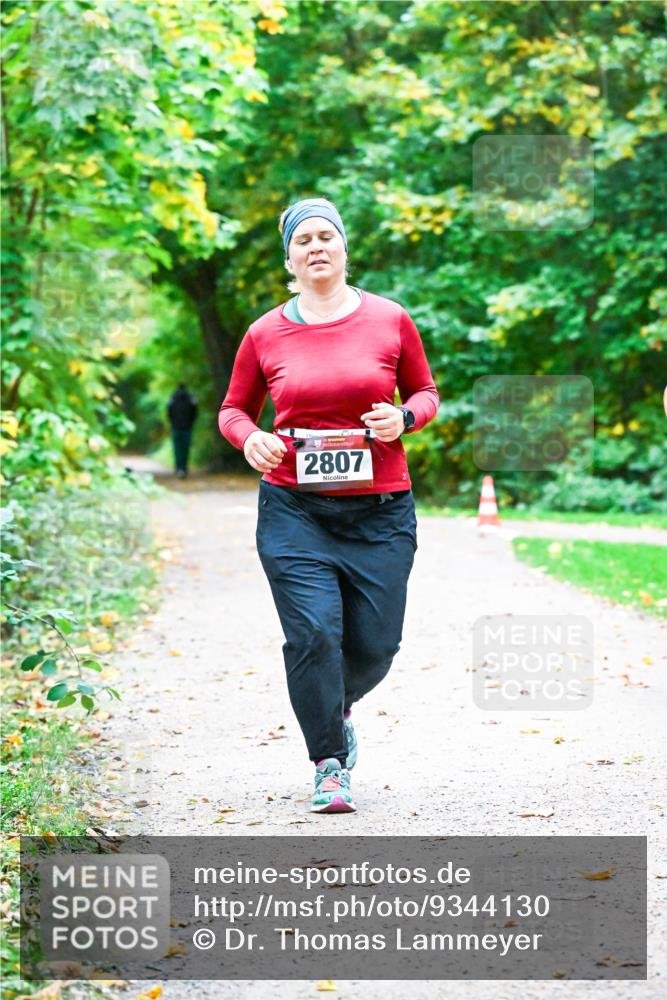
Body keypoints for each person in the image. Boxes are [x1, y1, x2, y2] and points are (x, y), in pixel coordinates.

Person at [218, 196, 439, 814]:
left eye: (326, 237)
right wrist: (250, 438)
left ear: (343, 247)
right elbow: (233, 410)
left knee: (377, 645)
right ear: (290, 258)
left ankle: (335, 704)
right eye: (303, 240)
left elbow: (425, 392)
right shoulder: (265, 332)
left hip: (381, 511)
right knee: (313, 635)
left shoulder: (390, 319)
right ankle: (329, 764)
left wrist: (403, 418)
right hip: (294, 511)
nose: (316, 247)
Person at [167, 383, 198, 478]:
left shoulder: (173, 398)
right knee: (185, 449)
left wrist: (172, 423)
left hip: (176, 428)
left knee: (177, 449)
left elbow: (169, 413)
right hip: (187, 428)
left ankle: (178, 468)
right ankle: (184, 468)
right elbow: (195, 412)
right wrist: (191, 423)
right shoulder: (190, 398)